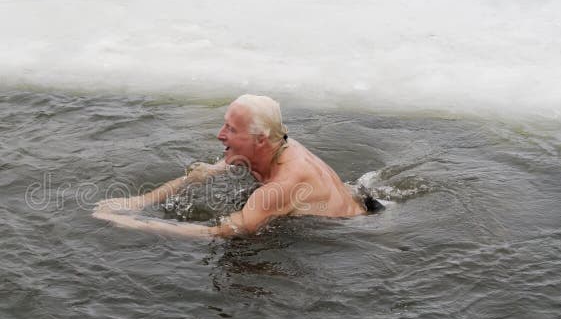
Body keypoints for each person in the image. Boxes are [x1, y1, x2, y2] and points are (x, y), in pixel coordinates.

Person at [93, 94, 376, 238]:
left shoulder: (277, 188)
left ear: (259, 139)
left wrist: (134, 224)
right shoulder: (277, 142)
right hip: (361, 201)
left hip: (353, 230)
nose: (220, 134)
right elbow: (202, 174)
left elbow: (219, 233)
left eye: (230, 128)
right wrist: (139, 201)